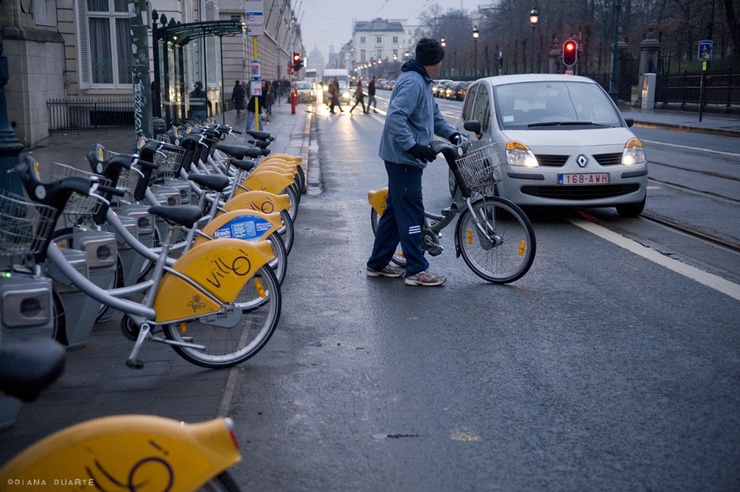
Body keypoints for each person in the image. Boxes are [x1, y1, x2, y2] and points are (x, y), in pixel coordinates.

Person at [366, 38, 463, 287]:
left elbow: (433, 115)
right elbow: (395, 118)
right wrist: (413, 146)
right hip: (403, 158)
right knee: (411, 213)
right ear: (435, 61)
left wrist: (452, 134)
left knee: (394, 213)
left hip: (403, 157)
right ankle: (416, 270)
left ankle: (376, 264)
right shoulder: (413, 82)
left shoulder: (420, 80)